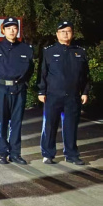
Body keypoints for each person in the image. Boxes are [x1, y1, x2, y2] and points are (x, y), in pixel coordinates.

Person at [38, 21, 90, 165]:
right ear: (57, 34)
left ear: (72, 34)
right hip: (53, 95)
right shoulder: (48, 51)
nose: (65, 34)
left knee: (71, 126)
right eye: (62, 31)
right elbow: (42, 73)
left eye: (68, 31)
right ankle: (48, 154)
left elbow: (85, 75)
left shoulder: (80, 52)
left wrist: (85, 92)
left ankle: (71, 154)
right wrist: (41, 91)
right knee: (50, 126)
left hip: (73, 96)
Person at [0, 17, 34, 165]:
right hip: (2, 89)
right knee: (2, 122)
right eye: (8, 28)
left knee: (17, 122)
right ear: (3, 30)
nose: (12, 31)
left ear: (18, 30)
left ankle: (15, 154)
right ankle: (2, 153)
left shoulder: (26, 49)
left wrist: (23, 82)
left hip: (19, 89)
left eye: (14, 28)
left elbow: (30, 69)